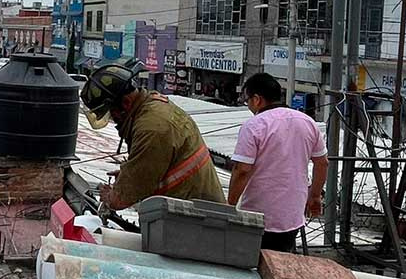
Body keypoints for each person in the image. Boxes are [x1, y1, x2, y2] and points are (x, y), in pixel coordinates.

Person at [81, 64, 225, 211]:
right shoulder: (152, 107)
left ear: (125, 103)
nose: (114, 119)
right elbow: (160, 165)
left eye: (112, 113)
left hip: (196, 221)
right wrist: (131, 174)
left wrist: (110, 197)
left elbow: (120, 200)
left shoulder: (151, 128)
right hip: (194, 211)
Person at [227, 73, 328, 252]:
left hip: (258, 215)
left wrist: (229, 206)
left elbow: (242, 170)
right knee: (280, 265)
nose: (248, 105)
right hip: (293, 216)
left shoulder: (254, 126)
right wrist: (314, 196)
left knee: (253, 267)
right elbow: (322, 164)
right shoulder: (307, 122)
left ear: (257, 99)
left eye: (247, 100)